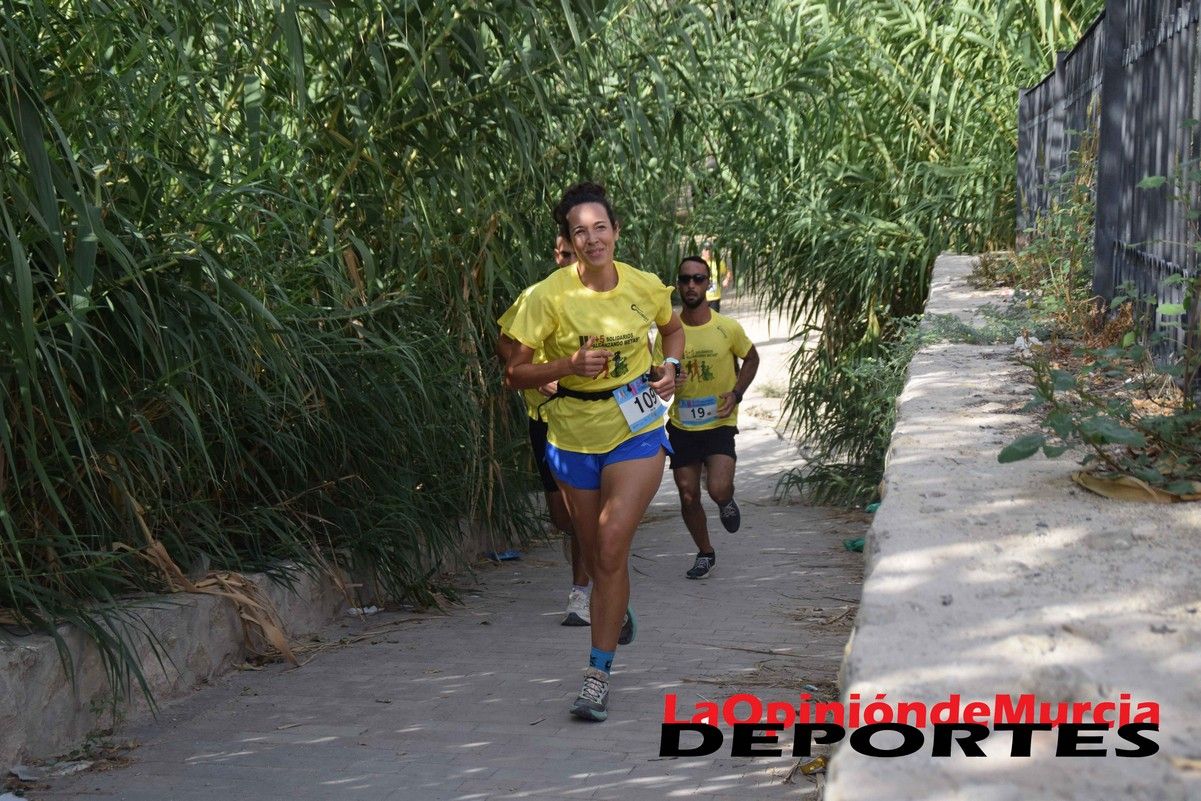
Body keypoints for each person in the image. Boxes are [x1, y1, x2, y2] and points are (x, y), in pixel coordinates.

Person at [504, 182, 684, 722]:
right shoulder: (547, 296)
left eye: (600, 227)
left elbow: (671, 330)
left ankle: (597, 674)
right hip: (572, 433)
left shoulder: (644, 284)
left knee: (608, 545)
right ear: (569, 240)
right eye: (579, 231)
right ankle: (617, 602)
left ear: (616, 231)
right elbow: (514, 373)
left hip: (637, 424)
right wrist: (565, 368)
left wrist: (670, 367)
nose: (592, 238)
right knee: (590, 545)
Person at [496, 236, 591, 626]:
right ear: (557, 255)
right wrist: (540, 374)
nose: (572, 261)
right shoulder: (535, 296)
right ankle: (601, 562)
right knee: (562, 519)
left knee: (584, 514)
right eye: (567, 254)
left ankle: (581, 594)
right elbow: (505, 342)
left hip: (589, 421)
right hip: (545, 419)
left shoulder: (605, 298)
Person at [661, 255, 759, 579]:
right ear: (678, 285)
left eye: (698, 279)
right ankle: (705, 552)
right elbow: (653, 374)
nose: (691, 285)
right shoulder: (669, 332)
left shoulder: (726, 327)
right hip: (682, 425)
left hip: (719, 421)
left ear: (708, 284)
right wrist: (668, 381)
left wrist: (737, 394)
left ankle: (726, 501)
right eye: (685, 279)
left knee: (717, 489)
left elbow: (752, 358)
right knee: (688, 494)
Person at [700, 242, 732, 312]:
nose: (708, 252)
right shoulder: (696, 263)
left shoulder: (718, 263)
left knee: (714, 321)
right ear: (702, 251)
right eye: (706, 249)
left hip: (715, 298)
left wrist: (726, 279)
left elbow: (728, 273)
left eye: (710, 249)